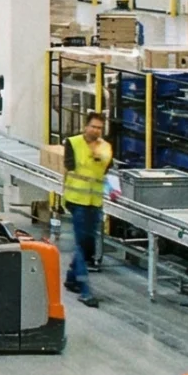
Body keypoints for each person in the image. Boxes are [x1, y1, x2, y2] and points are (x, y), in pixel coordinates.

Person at [61, 112, 113, 307]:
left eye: (99, 128)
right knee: (81, 246)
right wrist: (94, 157)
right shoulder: (73, 143)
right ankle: (85, 290)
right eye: (93, 127)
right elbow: (71, 165)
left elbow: (106, 167)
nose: (96, 130)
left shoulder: (106, 147)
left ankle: (70, 278)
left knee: (87, 244)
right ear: (85, 126)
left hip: (95, 202)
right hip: (77, 201)